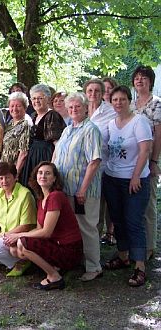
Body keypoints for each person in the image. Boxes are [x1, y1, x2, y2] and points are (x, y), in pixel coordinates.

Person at [103, 85, 152, 287]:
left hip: (134, 180)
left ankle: (139, 266)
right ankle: (123, 257)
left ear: (129, 100)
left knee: (133, 221)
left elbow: (144, 151)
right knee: (117, 219)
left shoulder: (139, 121)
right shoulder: (110, 124)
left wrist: (135, 176)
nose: (118, 103)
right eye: (115, 100)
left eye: (122, 99)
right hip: (112, 178)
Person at [53, 92, 103, 282]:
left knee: (87, 227)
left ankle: (94, 266)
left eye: (77, 106)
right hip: (65, 189)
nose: (74, 110)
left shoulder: (91, 129)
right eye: (71, 107)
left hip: (83, 191)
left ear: (85, 108)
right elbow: (57, 157)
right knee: (70, 228)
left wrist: (82, 189)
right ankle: (77, 260)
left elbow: (94, 161)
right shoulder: (67, 129)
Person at [10, 162, 83, 290]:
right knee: (17, 249)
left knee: (23, 242)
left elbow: (46, 232)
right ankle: (55, 267)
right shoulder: (41, 199)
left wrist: (19, 235)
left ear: (54, 178)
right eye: (40, 173)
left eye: (48, 173)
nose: (43, 176)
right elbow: (38, 229)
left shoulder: (56, 196)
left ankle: (55, 277)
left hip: (69, 249)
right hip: (56, 244)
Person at [130, 65, 161, 261]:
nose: (139, 81)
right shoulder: (131, 105)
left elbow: (159, 133)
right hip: (130, 163)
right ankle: (134, 246)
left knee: (148, 204)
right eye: (137, 78)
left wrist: (154, 160)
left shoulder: (156, 103)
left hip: (148, 159)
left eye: (144, 78)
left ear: (150, 81)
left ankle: (149, 246)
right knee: (134, 205)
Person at [84, 78, 117, 245]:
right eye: (90, 90)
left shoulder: (111, 112)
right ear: (85, 92)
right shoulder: (80, 110)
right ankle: (90, 245)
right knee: (89, 210)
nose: (93, 94)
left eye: (97, 90)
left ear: (102, 92)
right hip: (83, 168)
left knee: (103, 204)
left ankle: (97, 245)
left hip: (103, 166)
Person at [20, 84, 66, 187]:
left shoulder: (52, 116)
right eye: (34, 98)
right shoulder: (33, 116)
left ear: (48, 99)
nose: (36, 101)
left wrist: (51, 166)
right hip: (32, 159)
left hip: (45, 158)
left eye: (40, 98)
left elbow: (58, 144)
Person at [0, 92, 30, 176]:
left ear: (25, 107)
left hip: (14, 171)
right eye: (12, 106)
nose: (14, 109)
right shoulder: (9, 124)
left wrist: (15, 174)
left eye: (18, 106)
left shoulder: (25, 124)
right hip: (4, 168)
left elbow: (23, 153)